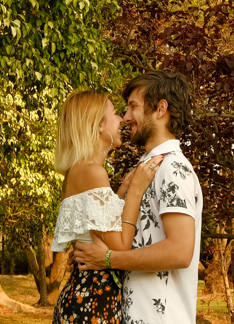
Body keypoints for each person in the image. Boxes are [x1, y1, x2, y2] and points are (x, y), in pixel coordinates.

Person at [74, 71, 202, 324]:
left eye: (134, 107)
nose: (126, 117)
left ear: (160, 109)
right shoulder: (146, 169)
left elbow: (180, 251)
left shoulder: (173, 170)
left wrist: (109, 260)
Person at [52, 89, 164, 324]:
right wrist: (135, 191)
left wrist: (119, 194)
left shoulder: (79, 169)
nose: (122, 119)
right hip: (93, 302)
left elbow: (98, 231)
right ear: (99, 125)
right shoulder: (93, 172)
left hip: (86, 297)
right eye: (114, 113)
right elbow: (121, 245)